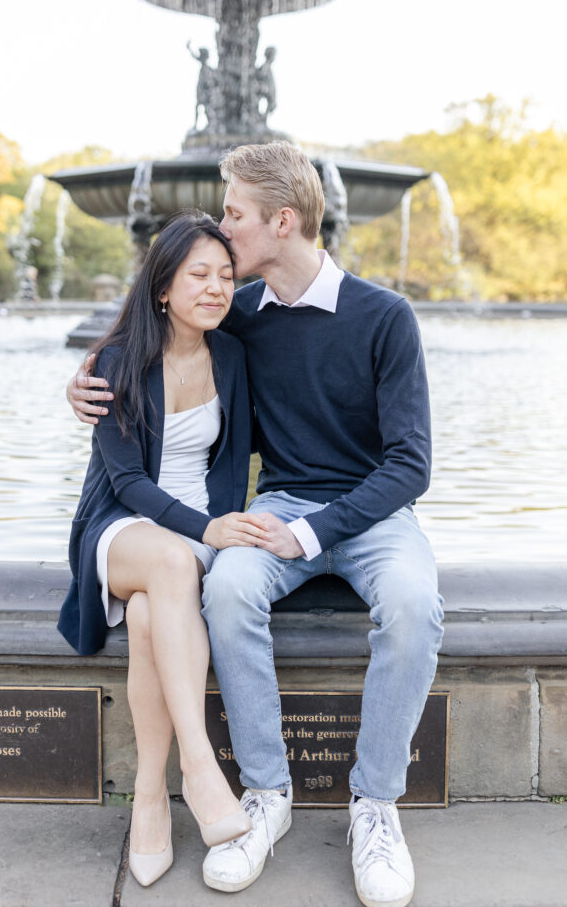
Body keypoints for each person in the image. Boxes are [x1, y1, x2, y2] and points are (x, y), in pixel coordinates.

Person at [67, 144, 444, 907]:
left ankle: (373, 806)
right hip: (275, 504)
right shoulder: (235, 314)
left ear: (281, 221)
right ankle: (265, 792)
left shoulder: (384, 317)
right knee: (229, 587)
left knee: (412, 606)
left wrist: (315, 533)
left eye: (234, 215)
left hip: (373, 510)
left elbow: (410, 465)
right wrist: (80, 384)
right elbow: (150, 334)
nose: (223, 232)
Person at [58, 212, 271, 888]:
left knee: (154, 615)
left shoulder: (230, 353)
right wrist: (206, 530)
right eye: (198, 275)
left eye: (224, 275)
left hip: (195, 534)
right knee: (170, 563)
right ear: (162, 288)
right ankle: (200, 768)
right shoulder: (117, 361)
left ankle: (149, 796)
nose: (215, 288)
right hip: (123, 526)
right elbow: (126, 481)